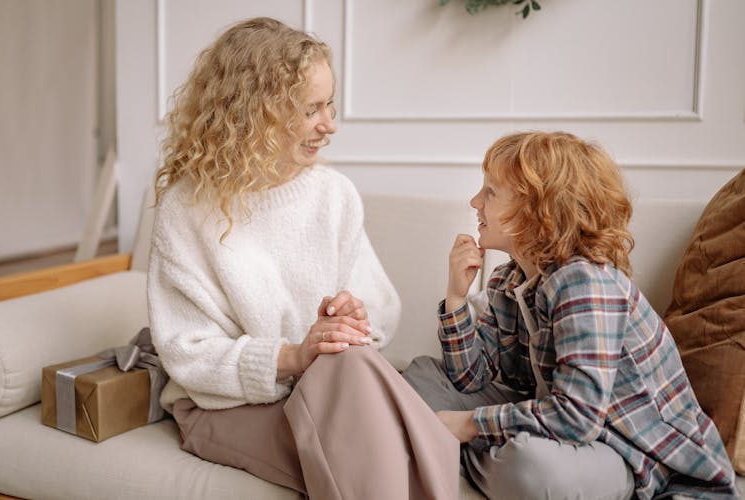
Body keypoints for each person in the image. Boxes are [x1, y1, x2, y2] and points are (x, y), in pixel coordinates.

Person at [147, 17, 459, 500]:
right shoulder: (186, 210)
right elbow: (187, 353)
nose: (329, 125)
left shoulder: (333, 194)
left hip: (332, 389)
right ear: (254, 112)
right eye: (311, 108)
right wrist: (294, 356)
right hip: (226, 407)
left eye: (329, 104)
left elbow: (377, 312)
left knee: (349, 366)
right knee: (388, 451)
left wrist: (350, 319)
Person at [403, 131, 738, 499]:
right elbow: (469, 377)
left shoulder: (585, 283)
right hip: (560, 429)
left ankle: (445, 445)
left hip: (627, 453)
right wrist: (456, 298)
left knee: (532, 469)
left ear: (537, 210)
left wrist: (469, 423)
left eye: (491, 192)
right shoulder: (509, 279)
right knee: (419, 375)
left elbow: (577, 416)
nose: (475, 201)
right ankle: (460, 447)